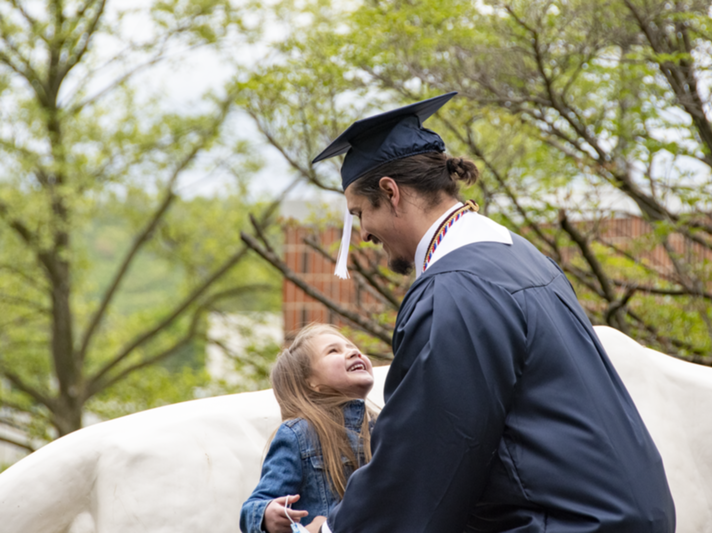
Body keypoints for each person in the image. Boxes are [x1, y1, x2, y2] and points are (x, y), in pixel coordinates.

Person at [307, 92, 676, 533]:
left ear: (391, 192)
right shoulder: (518, 255)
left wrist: (338, 529)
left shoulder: (456, 289)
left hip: (562, 523)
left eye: (360, 213)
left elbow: (428, 451)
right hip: (618, 514)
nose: (363, 232)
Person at [240, 324, 377, 533]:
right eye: (333, 351)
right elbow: (255, 506)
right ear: (311, 382)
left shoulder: (385, 425)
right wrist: (267, 515)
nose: (354, 352)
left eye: (352, 346)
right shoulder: (299, 435)